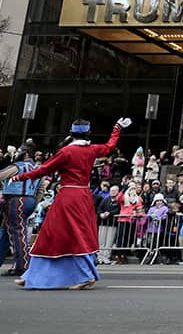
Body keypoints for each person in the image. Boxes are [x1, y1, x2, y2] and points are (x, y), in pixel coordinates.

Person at [12, 118, 131, 289]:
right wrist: (117, 128)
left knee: (54, 233)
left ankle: (83, 276)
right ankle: (33, 274)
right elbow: (110, 146)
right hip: (82, 195)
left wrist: (18, 177)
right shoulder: (91, 150)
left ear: (71, 133)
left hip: (68, 196)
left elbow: (43, 169)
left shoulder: (66, 152)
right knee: (70, 234)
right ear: (88, 133)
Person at [0, 142, 40, 276]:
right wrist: (35, 202)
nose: (17, 153)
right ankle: (18, 263)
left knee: (17, 232)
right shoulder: (36, 167)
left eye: (19, 151)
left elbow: (1, 175)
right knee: (7, 231)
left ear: (25, 153)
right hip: (30, 199)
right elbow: (41, 188)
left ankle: (21, 265)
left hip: (16, 199)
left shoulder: (19, 166)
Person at [95, 185, 121, 265]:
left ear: (118, 192)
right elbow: (99, 208)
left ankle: (106, 257)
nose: (112, 192)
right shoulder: (105, 200)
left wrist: (109, 213)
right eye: (111, 190)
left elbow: (118, 210)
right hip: (103, 223)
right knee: (101, 241)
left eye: (114, 190)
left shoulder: (118, 201)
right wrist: (101, 214)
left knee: (109, 241)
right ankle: (100, 257)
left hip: (112, 224)